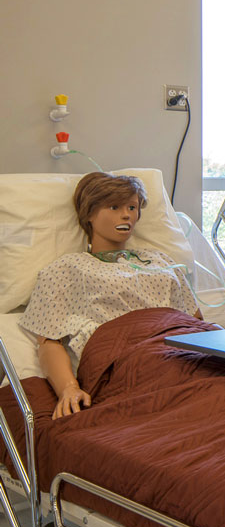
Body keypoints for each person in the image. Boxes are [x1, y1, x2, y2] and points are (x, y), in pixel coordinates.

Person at [18, 173, 201, 419]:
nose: (126, 215)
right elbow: (49, 341)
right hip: (131, 362)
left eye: (132, 207)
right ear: (89, 214)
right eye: (114, 207)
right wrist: (69, 389)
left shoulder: (160, 261)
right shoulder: (67, 268)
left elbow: (196, 323)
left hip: (186, 353)